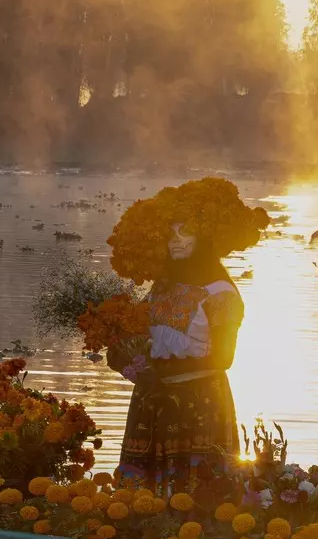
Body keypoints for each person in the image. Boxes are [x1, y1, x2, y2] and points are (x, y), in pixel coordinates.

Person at [104, 178, 269, 494]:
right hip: (150, 403)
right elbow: (135, 336)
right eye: (171, 233)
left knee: (197, 495)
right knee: (141, 499)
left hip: (198, 404)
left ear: (205, 237)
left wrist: (160, 374)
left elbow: (224, 358)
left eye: (186, 232)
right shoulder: (162, 287)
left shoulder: (221, 294)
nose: (176, 241)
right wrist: (123, 357)